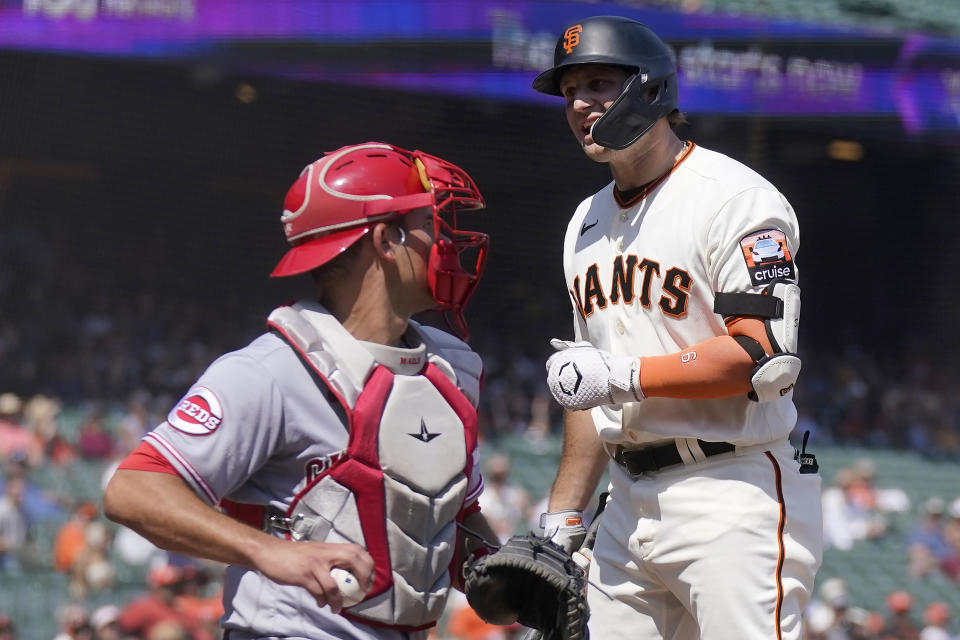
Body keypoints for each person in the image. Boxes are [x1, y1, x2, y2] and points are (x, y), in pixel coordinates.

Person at [103, 142, 500, 639]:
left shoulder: (455, 368)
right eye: (431, 222)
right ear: (386, 239)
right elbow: (133, 489)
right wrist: (268, 550)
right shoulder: (274, 370)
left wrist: (508, 575)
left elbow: (447, 517)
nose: (448, 238)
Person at [532, 16, 823, 639]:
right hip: (625, 501)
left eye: (599, 83)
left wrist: (625, 376)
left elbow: (761, 352)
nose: (580, 102)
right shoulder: (584, 221)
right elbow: (591, 383)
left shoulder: (733, 198)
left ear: (651, 89)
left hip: (730, 489)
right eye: (569, 90)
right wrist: (562, 516)